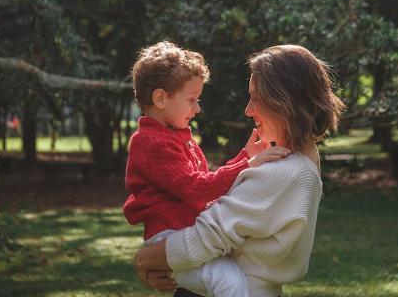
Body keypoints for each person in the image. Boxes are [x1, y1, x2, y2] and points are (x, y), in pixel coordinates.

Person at [133, 44, 346, 297]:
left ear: (284, 101)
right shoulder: (303, 162)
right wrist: (246, 159)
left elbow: (208, 235)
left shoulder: (286, 172)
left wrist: (145, 261)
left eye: (256, 97)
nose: (248, 110)